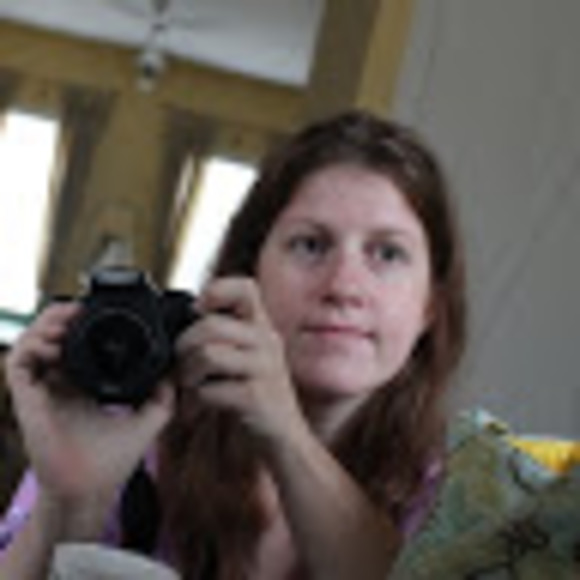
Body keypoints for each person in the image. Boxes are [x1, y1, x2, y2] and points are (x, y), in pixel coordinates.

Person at [1, 110, 578, 580]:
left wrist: (285, 432)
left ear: (431, 304)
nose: (344, 287)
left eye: (387, 253)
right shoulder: (136, 441)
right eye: (309, 245)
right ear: (248, 270)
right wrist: (68, 501)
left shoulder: (468, 499)